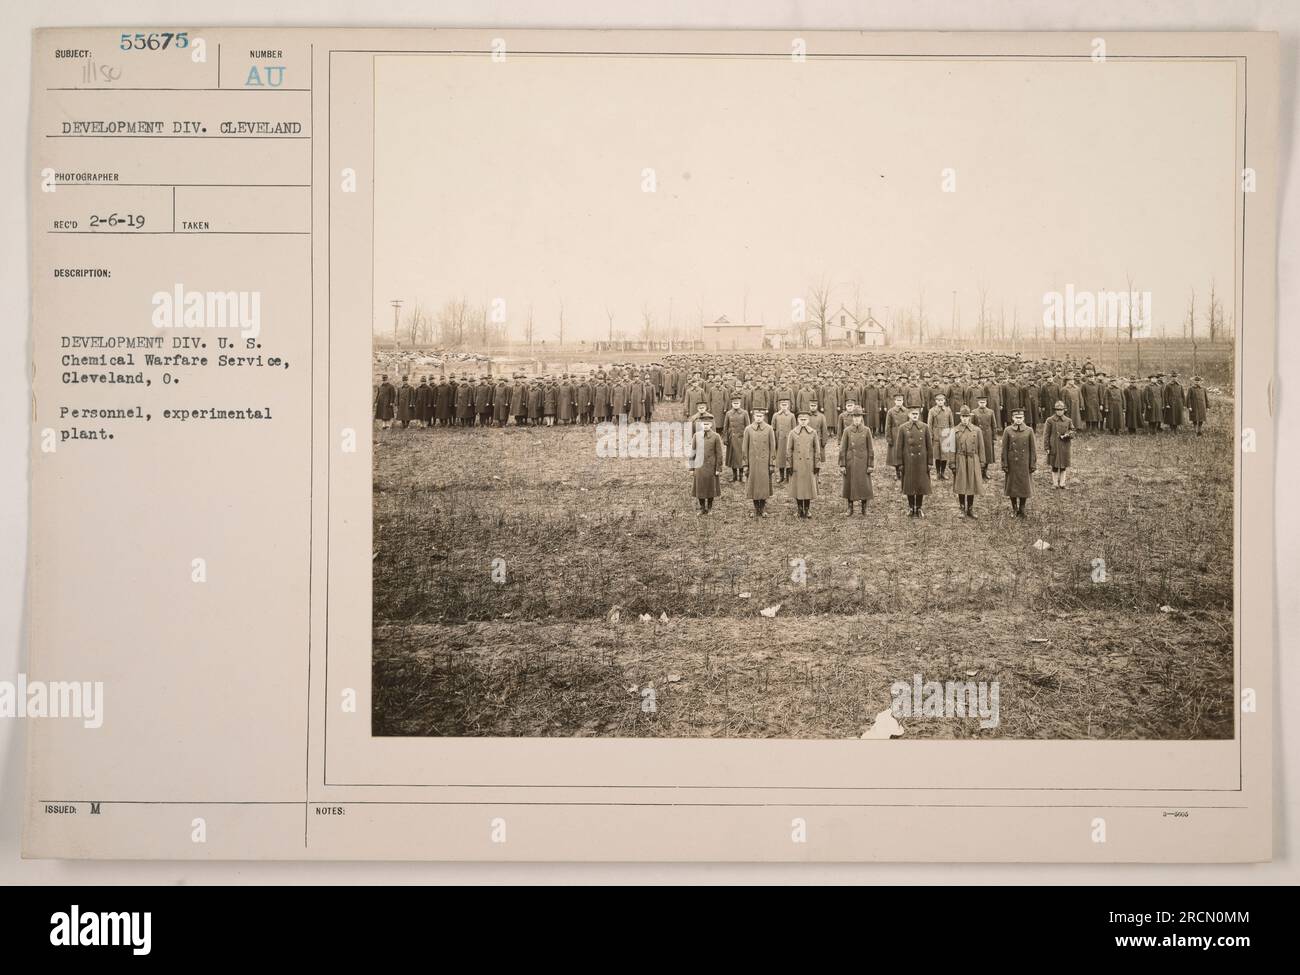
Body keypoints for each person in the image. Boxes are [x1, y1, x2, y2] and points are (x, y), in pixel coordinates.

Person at [896, 406, 933, 518]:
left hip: (921, 460)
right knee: (909, 484)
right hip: (908, 460)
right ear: (908, 415)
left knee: (921, 484)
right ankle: (911, 507)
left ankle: (919, 507)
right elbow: (899, 447)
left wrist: (930, 462)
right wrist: (900, 463)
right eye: (913, 414)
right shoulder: (903, 428)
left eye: (916, 414)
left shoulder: (925, 427)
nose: (915, 416)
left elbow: (929, 446)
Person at [786, 410, 823, 518]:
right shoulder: (793, 433)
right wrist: (789, 465)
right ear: (797, 420)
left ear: (808, 420)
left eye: (805, 420)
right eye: (801, 420)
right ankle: (799, 509)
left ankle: (807, 509)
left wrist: (817, 465)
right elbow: (789, 450)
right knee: (798, 488)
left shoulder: (813, 432)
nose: (803, 422)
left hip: (809, 464)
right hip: (797, 465)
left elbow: (817, 450)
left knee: (808, 488)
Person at [838, 407, 874, 516]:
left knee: (864, 485)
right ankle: (850, 508)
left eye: (859, 417)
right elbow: (842, 449)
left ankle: (864, 508)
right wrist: (842, 464)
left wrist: (870, 464)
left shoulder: (867, 430)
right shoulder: (847, 431)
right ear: (852, 418)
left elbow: (871, 449)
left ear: (862, 418)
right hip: (851, 462)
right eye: (855, 417)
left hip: (863, 462)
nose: (857, 419)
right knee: (850, 485)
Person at [951, 406, 986, 518]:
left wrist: (982, 461)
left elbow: (981, 447)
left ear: (970, 417)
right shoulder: (954, 430)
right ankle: (962, 508)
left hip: (973, 459)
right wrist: (952, 463)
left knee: (972, 483)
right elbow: (951, 449)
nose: (965, 419)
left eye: (967, 416)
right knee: (961, 483)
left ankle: (970, 509)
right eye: (963, 416)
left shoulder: (977, 430)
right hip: (960, 459)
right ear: (960, 417)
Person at [742, 408, 778, 517]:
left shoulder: (769, 429)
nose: (758, 418)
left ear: (764, 417)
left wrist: (772, 463)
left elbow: (772, 447)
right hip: (752, 462)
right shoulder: (748, 429)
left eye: (760, 416)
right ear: (753, 417)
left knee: (763, 486)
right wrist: (745, 464)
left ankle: (762, 508)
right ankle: (755, 508)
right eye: (756, 416)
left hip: (764, 462)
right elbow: (744, 448)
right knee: (753, 485)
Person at [1001, 408, 1036, 517]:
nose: (1018, 420)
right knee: (1012, 487)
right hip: (1012, 463)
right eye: (1016, 418)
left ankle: (1022, 508)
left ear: (1024, 418)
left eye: (1020, 418)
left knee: (1024, 487)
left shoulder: (1029, 430)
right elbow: (1004, 449)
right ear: (1012, 418)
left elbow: (1033, 449)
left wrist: (1032, 463)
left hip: (1024, 463)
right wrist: (1005, 464)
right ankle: (1014, 507)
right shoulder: (1007, 430)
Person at [689, 412, 724, 514]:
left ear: (711, 425)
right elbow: (692, 452)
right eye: (704, 424)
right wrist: (691, 468)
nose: (706, 426)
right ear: (700, 425)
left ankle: (709, 508)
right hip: (699, 467)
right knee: (700, 487)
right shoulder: (696, 435)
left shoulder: (716, 436)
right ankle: (702, 508)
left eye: (708, 424)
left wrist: (718, 468)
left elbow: (719, 454)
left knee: (710, 488)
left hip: (711, 467)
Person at [1043, 400, 1075, 489]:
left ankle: (1062, 483)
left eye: (1061, 410)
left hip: (1065, 446)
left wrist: (1067, 435)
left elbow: (1073, 430)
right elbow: (1046, 434)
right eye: (1057, 410)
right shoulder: (1050, 420)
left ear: (1064, 410)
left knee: (1063, 465)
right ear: (1055, 410)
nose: (1059, 411)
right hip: (1054, 446)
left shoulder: (1068, 420)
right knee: (1054, 465)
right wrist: (1047, 447)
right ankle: (1055, 483)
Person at [721, 396, 751, 482]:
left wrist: (747, 438)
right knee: (733, 458)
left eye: (737, 403)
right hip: (732, 439)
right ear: (731, 404)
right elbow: (725, 427)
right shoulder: (728, 413)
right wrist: (725, 438)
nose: (736, 405)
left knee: (741, 457)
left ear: (740, 404)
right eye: (734, 403)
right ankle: (734, 476)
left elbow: (748, 426)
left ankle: (741, 476)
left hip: (742, 438)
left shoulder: (744, 413)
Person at [929, 393, 954, 480]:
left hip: (945, 434)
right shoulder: (932, 411)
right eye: (938, 400)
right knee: (937, 455)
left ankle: (943, 472)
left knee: (944, 455)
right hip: (936, 434)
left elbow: (951, 423)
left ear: (944, 401)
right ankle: (937, 473)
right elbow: (930, 424)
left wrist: (951, 434)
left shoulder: (948, 410)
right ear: (936, 401)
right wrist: (931, 435)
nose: (940, 402)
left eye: (942, 400)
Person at [971, 395, 997, 480]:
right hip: (978, 435)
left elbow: (994, 425)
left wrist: (994, 437)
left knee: (987, 453)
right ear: (978, 403)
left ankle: (985, 471)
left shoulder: (990, 412)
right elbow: (972, 425)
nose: (982, 404)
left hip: (987, 435)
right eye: (981, 402)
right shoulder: (974, 412)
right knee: (978, 452)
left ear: (986, 403)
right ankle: (979, 471)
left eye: (984, 402)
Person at [884, 394, 909, 480]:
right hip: (894, 434)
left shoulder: (906, 411)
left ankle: (904, 471)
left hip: (905, 434)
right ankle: (897, 472)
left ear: (903, 401)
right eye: (897, 400)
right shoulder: (890, 411)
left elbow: (909, 423)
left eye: (901, 400)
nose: (899, 402)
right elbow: (888, 425)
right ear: (895, 401)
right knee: (895, 453)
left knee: (904, 452)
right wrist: (888, 437)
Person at [772, 397, 796, 482]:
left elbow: (794, 429)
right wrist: (775, 439)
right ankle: (781, 476)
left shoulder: (791, 416)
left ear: (788, 405)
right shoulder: (776, 415)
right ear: (779, 405)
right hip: (779, 440)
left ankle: (788, 477)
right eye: (782, 405)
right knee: (780, 458)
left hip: (788, 440)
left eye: (785, 405)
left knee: (788, 457)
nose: (784, 407)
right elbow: (773, 428)